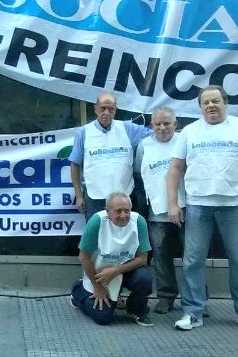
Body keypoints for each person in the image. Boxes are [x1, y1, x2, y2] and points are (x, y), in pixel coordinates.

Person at [167, 85, 238, 332]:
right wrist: (173, 203)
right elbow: (174, 169)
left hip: (235, 205)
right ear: (200, 106)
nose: (211, 106)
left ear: (225, 103)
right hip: (198, 205)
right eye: (206, 102)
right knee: (192, 261)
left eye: (215, 101)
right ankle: (193, 313)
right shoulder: (190, 132)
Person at [69, 192, 153, 327]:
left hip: (125, 269)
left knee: (144, 279)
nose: (124, 215)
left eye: (127, 210)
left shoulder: (139, 221)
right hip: (100, 274)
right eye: (118, 211)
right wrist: (98, 288)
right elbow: (83, 257)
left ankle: (135, 308)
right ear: (107, 211)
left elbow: (143, 259)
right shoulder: (97, 221)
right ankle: (78, 290)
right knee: (103, 318)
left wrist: (115, 271)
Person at [69, 92, 152, 223]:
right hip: (95, 197)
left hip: (125, 197)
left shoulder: (127, 129)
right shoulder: (83, 132)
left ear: (115, 110)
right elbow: (74, 164)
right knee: (96, 237)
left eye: (111, 109)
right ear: (95, 109)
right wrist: (78, 195)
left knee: (126, 236)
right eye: (102, 108)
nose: (106, 113)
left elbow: (157, 134)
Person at [134, 107, 186, 314]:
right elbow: (139, 172)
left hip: (186, 208)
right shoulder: (144, 146)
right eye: (157, 124)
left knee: (192, 256)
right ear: (151, 125)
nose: (162, 128)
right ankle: (166, 297)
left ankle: (197, 299)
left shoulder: (184, 140)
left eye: (167, 123)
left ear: (175, 124)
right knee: (161, 257)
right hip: (156, 212)